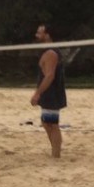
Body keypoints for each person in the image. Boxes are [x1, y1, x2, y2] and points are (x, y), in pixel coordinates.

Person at [30, 24, 67, 158]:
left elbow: (50, 75)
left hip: (52, 93)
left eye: (39, 33)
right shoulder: (47, 51)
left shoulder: (51, 52)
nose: (37, 35)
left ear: (47, 35)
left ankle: (56, 154)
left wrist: (37, 93)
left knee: (51, 124)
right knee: (47, 122)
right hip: (49, 92)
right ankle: (55, 152)